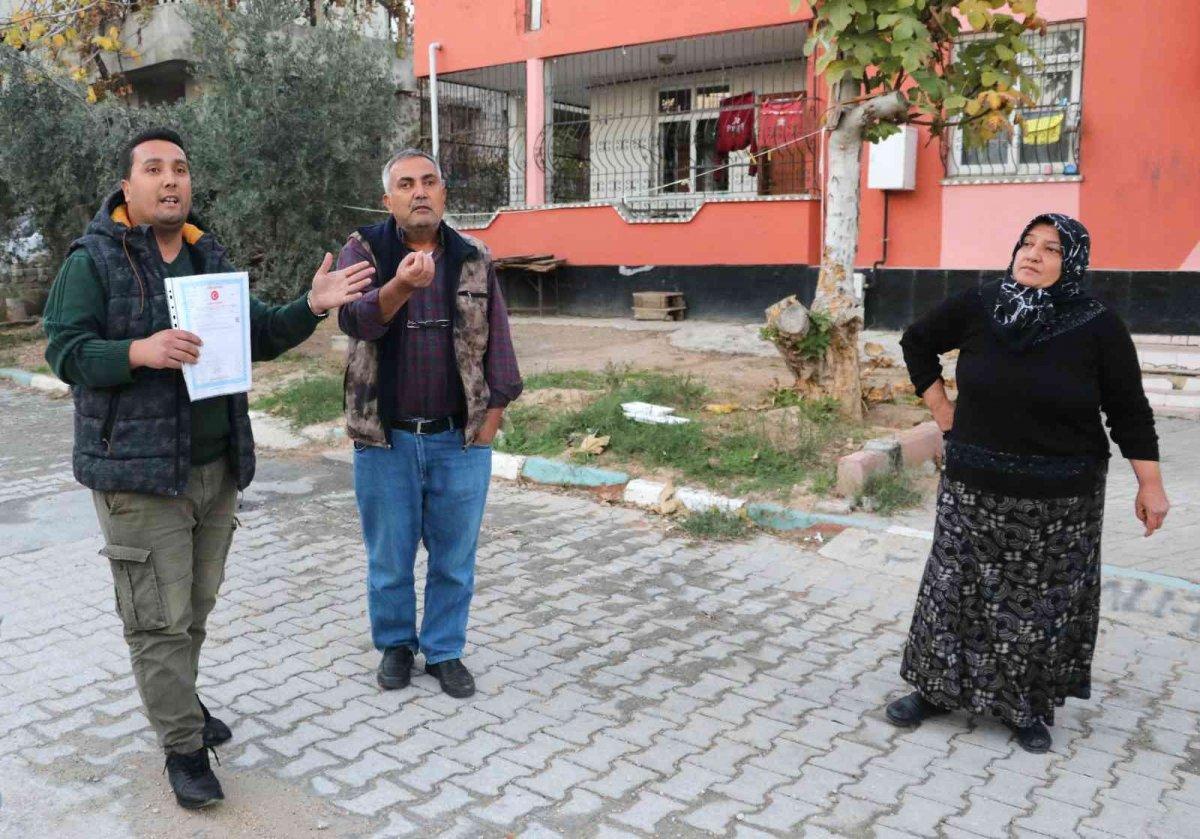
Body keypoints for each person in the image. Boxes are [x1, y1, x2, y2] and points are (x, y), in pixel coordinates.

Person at [42, 128, 374, 809]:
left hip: (215, 469)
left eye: (181, 168)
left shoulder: (205, 255)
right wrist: (137, 351)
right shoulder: (92, 260)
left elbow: (255, 333)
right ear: (127, 186)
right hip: (138, 478)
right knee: (157, 621)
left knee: (192, 608)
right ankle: (183, 749)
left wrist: (312, 305)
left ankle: (180, 700)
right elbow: (65, 350)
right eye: (154, 169)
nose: (171, 179)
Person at [887, 213, 1170, 753]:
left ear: (1073, 263)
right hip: (974, 486)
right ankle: (935, 690)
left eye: (1052, 249)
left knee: (1037, 606)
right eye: (1027, 243)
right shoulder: (981, 304)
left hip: (1060, 500)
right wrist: (941, 408)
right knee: (954, 591)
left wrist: (1150, 485)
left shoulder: (1098, 325)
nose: (1034, 254)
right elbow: (917, 341)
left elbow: (1130, 410)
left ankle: (1024, 708)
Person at [337, 149, 522, 700]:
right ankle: (396, 644)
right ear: (387, 199)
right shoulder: (364, 250)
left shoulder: (473, 257)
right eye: (405, 184)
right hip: (385, 439)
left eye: (429, 181)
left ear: (443, 193)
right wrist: (400, 286)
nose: (419, 192)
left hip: (458, 440)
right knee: (389, 558)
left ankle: (443, 650)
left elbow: (500, 345)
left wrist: (489, 424)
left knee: (454, 560)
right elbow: (355, 319)